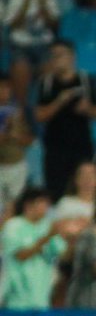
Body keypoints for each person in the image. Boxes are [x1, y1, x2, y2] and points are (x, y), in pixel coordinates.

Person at [34, 41, 96, 200]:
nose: (56, 59)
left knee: (84, 192)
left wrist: (87, 109)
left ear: (72, 57)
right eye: (53, 56)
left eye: (60, 55)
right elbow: (39, 116)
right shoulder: (46, 83)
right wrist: (59, 102)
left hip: (81, 146)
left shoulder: (86, 80)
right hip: (55, 148)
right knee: (55, 193)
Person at [0, 187, 74, 309]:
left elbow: (64, 255)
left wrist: (71, 240)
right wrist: (48, 236)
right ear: (29, 205)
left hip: (42, 299)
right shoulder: (13, 226)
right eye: (42, 203)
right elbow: (21, 256)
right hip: (16, 300)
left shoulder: (47, 226)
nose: (46, 208)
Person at [3, 0, 59, 106]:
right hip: (20, 47)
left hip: (44, 45)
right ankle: (22, 113)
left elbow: (55, 24)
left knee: (51, 70)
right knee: (20, 68)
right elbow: (11, 25)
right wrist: (25, 4)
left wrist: (44, 8)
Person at [0, 76, 35, 217]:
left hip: (17, 166)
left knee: (16, 207)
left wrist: (17, 135)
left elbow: (30, 139)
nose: (3, 91)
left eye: (6, 88)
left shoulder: (19, 112)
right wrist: (7, 130)